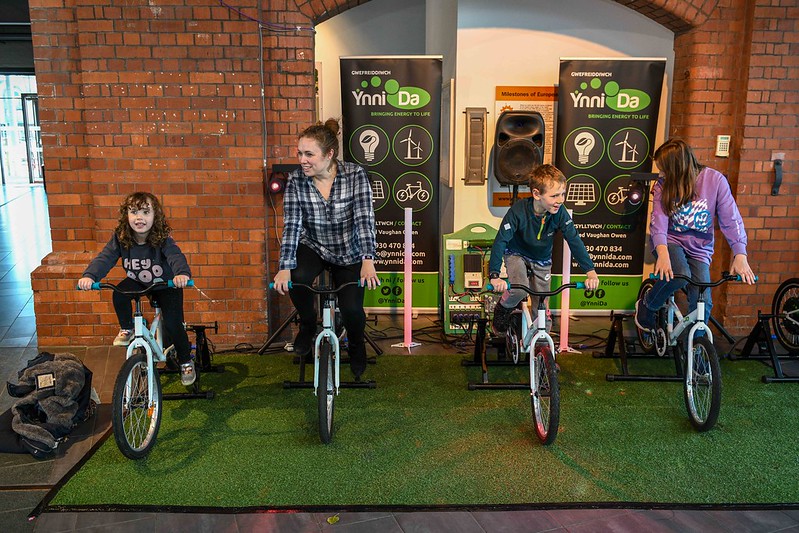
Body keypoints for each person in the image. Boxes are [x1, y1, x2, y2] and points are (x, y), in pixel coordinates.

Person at [272, 119, 379, 380]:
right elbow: (292, 225)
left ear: (329, 154)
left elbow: (364, 219)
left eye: (309, 154)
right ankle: (308, 324)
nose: (302, 160)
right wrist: (284, 267)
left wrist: (367, 260)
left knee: (352, 309)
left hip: (349, 250)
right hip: (314, 246)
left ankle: (356, 344)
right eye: (300, 153)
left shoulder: (355, 175)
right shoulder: (296, 180)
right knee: (297, 278)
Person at [634, 138, 756, 331]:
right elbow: (658, 223)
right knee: (680, 275)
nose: (661, 174)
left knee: (703, 302)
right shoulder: (662, 185)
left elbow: (731, 219)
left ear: (677, 169)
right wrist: (663, 253)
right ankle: (647, 304)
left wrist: (740, 254)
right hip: (670, 241)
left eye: (664, 170)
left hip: (700, 248)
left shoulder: (715, 181)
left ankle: (695, 345)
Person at [77, 192, 195, 386]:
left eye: (146, 212)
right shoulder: (122, 237)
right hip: (138, 281)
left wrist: (181, 274)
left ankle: (185, 361)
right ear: (127, 215)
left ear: (155, 216)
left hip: (166, 283)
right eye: (134, 212)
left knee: (174, 324)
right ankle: (127, 328)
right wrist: (90, 276)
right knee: (119, 293)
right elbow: (105, 257)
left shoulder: (162, 238)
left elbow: (175, 255)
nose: (139, 217)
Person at [489, 164, 599, 334]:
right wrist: (495, 275)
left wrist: (590, 271)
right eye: (554, 195)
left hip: (541, 258)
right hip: (516, 253)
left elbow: (574, 240)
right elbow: (500, 241)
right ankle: (503, 309)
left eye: (563, 194)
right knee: (519, 289)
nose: (560, 200)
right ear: (536, 194)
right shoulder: (518, 211)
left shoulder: (559, 212)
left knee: (542, 301)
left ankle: (541, 339)